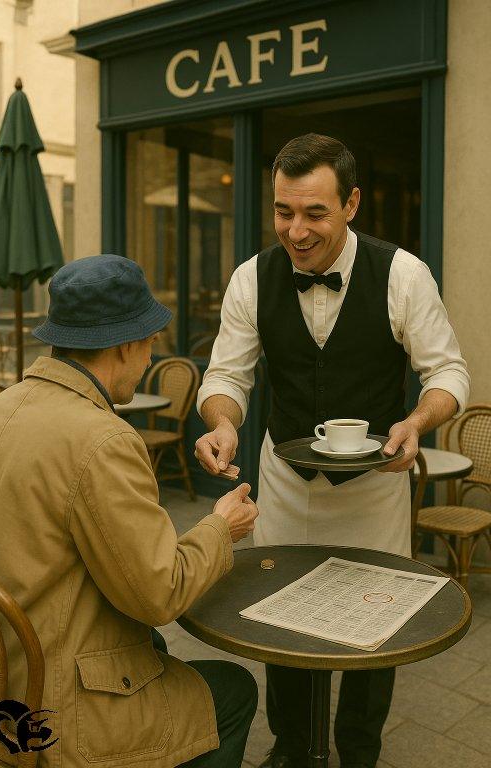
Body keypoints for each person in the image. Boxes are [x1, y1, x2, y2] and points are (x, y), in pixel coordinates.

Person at [194, 134, 470, 768]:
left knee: (376, 633)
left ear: (352, 204)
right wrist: (224, 425)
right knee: (280, 623)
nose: (296, 230)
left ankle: (358, 754)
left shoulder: (403, 275)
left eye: (314, 213)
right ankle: (292, 746)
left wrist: (417, 421)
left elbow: (449, 373)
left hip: (374, 489)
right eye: (284, 211)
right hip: (286, 484)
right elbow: (226, 379)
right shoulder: (249, 278)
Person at [0, 254, 259, 768]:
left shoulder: (2, 406)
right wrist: (221, 527)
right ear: (128, 343)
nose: (151, 356)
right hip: (53, 707)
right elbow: (159, 593)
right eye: (151, 341)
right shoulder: (102, 438)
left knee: (153, 648)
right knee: (234, 689)